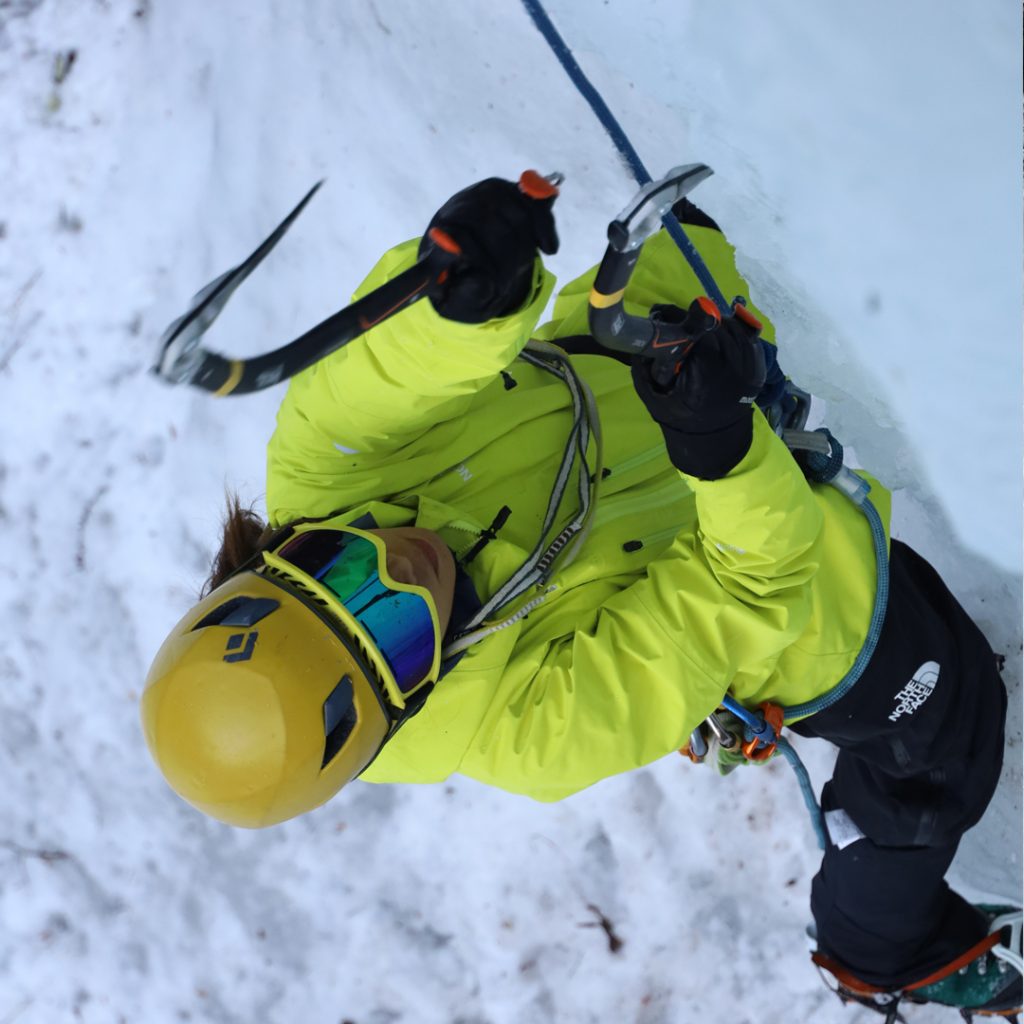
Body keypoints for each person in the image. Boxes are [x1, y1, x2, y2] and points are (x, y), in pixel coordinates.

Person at [141, 175, 1021, 1019]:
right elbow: (750, 584)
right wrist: (717, 448)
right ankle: (883, 952)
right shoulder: (533, 735)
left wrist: (465, 296)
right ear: (404, 707)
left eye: (334, 567)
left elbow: (386, 370)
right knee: (942, 759)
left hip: (636, 369)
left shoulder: (320, 471)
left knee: (708, 230)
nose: (400, 572)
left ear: (271, 556)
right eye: (397, 635)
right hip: (818, 615)